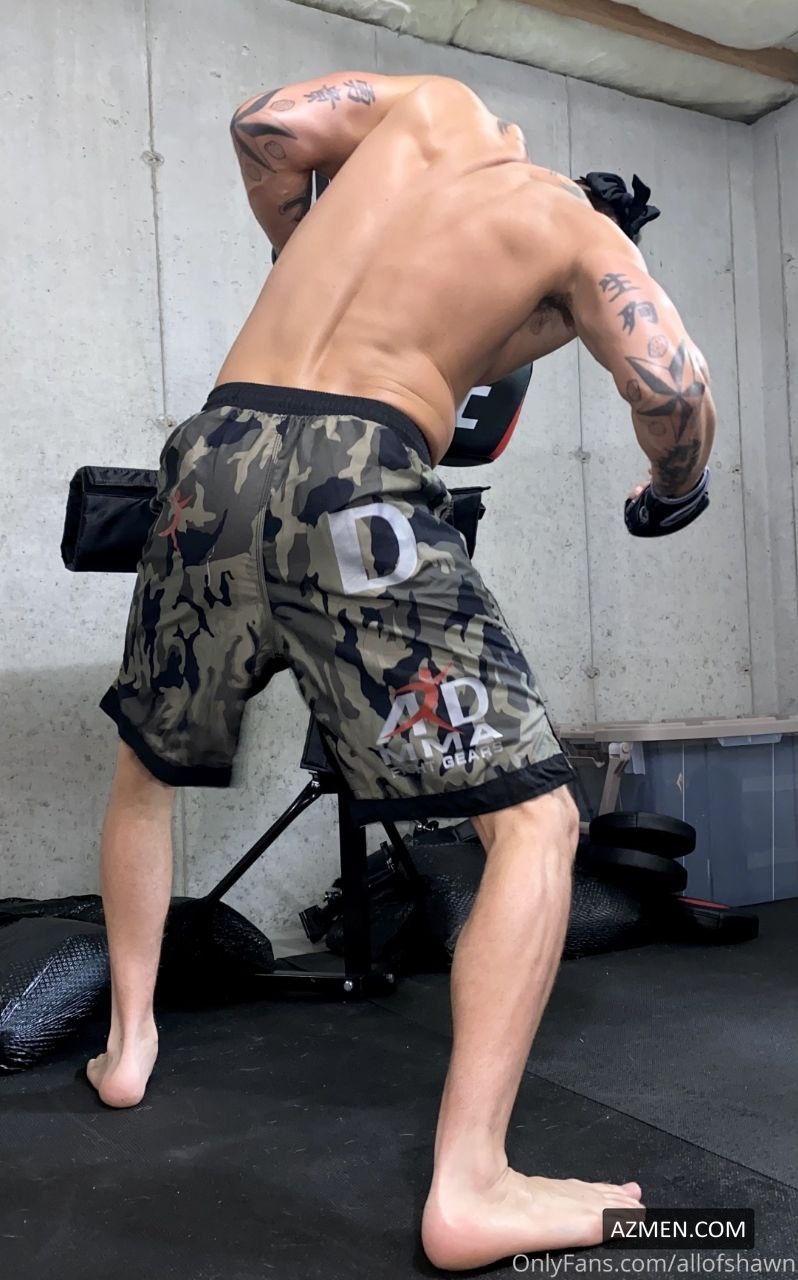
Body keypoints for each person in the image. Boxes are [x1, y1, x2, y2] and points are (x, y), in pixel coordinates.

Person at [87, 72, 715, 1270]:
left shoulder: (418, 114)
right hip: (355, 474)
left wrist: (296, 242)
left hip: (212, 454)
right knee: (536, 822)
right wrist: (671, 487)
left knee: (144, 766)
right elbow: (672, 385)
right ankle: (473, 1183)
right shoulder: (563, 222)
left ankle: (128, 1046)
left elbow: (268, 127)